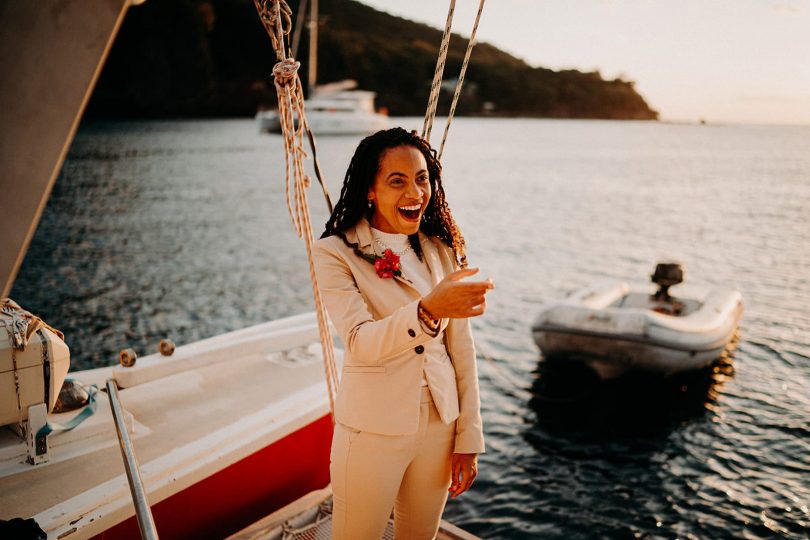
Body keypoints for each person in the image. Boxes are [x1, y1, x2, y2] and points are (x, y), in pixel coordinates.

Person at [313, 127, 495, 539]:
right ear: (370, 190)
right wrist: (429, 309)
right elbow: (360, 341)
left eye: (422, 178)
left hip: (440, 427)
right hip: (371, 432)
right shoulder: (334, 253)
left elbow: (461, 350)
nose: (415, 192)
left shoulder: (440, 248)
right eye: (397, 181)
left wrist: (469, 436)